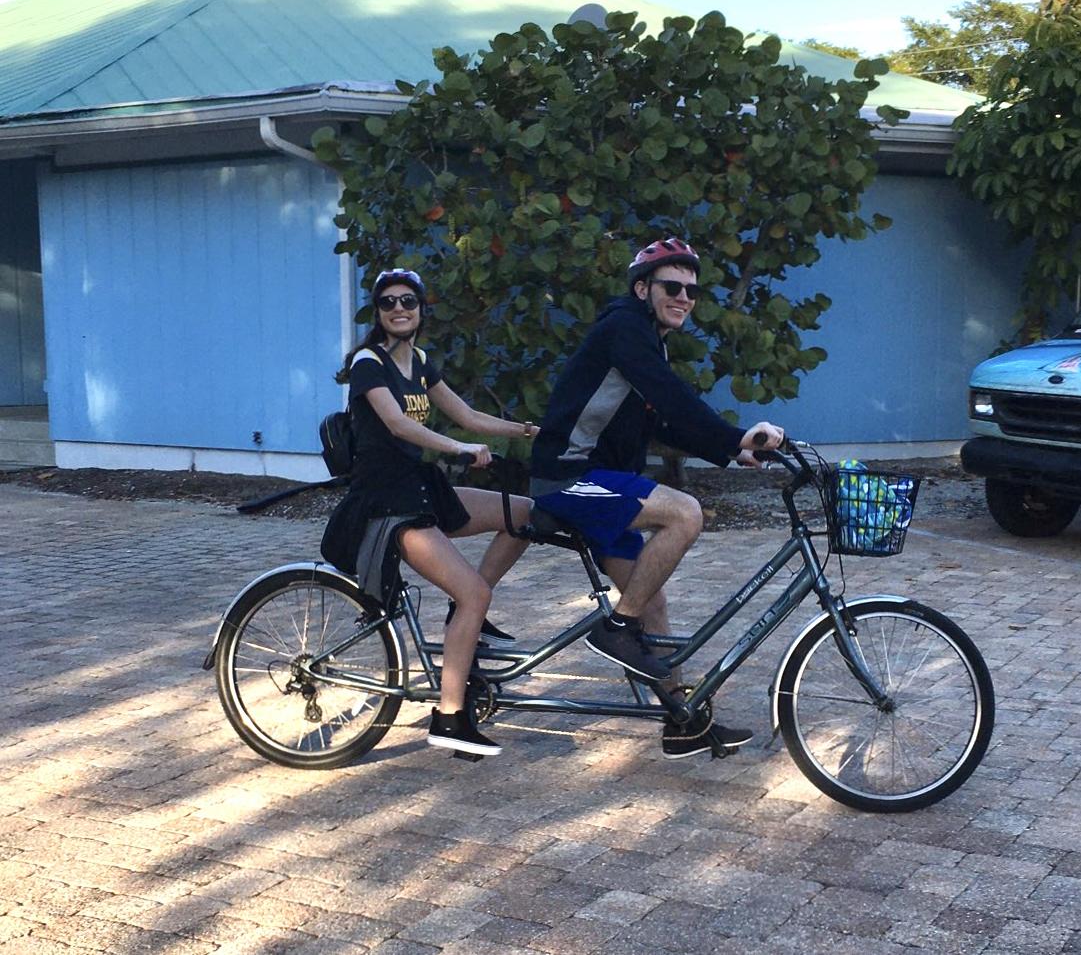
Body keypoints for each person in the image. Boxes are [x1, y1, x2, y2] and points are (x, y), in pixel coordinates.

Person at [530, 238, 785, 759]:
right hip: (568, 477)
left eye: (692, 290)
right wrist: (735, 434)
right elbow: (672, 397)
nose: (685, 297)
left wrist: (733, 450)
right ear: (643, 289)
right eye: (673, 287)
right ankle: (617, 628)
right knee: (685, 513)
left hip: (599, 479)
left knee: (654, 602)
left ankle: (682, 722)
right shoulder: (625, 327)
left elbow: (665, 420)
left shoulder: (645, 336)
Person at [321, 268, 539, 758]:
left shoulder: (419, 361)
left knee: (525, 514)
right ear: (377, 313)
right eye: (388, 303)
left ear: (421, 310)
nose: (399, 309)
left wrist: (530, 432)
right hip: (390, 501)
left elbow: (467, 415)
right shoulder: (367, 363)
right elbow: (397, 425)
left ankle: (465, 613)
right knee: (474, 592)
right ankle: (448, 717)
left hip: (423, 487)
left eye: (408, 302)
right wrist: (461, 449)